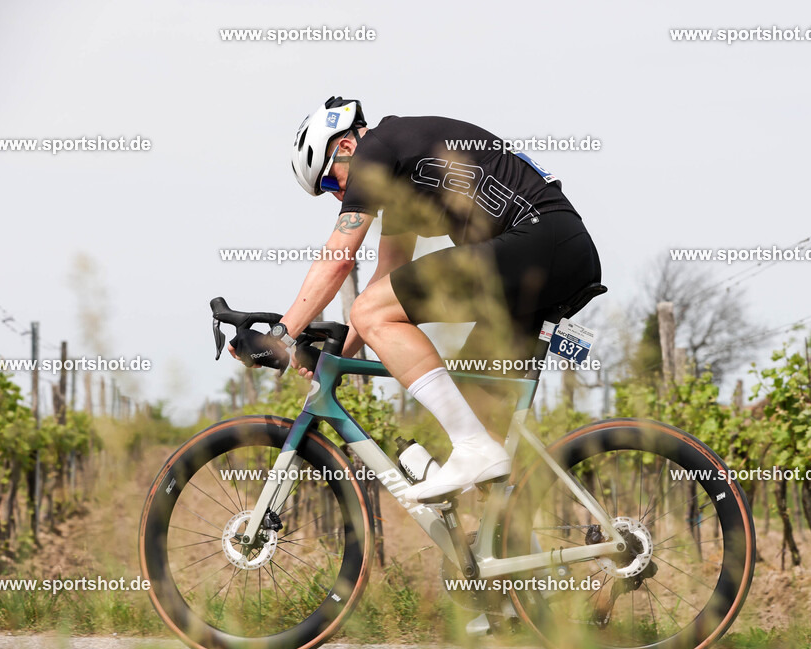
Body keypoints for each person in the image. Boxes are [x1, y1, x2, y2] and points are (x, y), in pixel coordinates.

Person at [248, 96, 601, 503]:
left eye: (329, 181)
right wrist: (338, 355)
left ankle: (473, 450)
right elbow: (387, 278)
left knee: (469, 439)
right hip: (553, 255)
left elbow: (339, 260)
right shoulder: (402, 173)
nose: (335, 195)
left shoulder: (377, 149)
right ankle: (511, 546)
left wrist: (280, 334)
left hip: (541, 243)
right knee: (473, 412)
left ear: (345, 147)